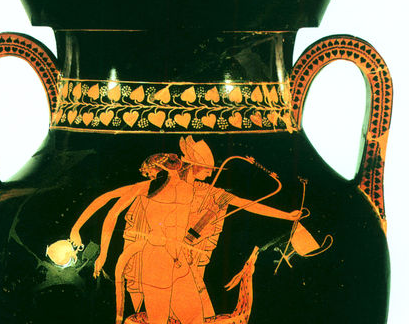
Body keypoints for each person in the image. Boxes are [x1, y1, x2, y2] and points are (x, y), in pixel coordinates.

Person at [70, 137, 300, 324]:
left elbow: (243, 203)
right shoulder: (149, 187)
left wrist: (286, 215)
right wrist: (84, 236)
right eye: (206, 169)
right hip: (156, 260)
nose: (209, 173)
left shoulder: (199, 191)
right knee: (159, 320)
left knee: (195, 318)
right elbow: (109, 205)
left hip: (180, 261)